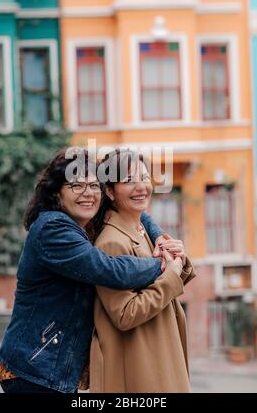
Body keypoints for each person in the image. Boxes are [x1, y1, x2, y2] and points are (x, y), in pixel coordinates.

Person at [0, 147, 176, 394]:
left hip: (52, 368)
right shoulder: (53, 229)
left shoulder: (85, 220)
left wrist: (160, 239)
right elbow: (109, 269)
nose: (87, 193)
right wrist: (163, 264)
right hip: (34, 369)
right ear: (57, 192)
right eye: (76, 186)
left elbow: (138, 214)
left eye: (93, 186)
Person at [90, 149, 196, 393]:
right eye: (128, 181)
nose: (141, 186)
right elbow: (125, 314)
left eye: (145, 178)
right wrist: (171, 273)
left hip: (160, 356)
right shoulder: (111, 242)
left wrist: (179, 259)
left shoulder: (144, 232)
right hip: (141, 369)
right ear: (109, 191)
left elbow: (163, 278)